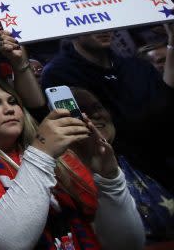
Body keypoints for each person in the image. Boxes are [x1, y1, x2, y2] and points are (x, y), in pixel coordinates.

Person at [0, 74, 145, 250]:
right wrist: (42, 153)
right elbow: (9, 242)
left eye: (13, 102)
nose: (9, 109)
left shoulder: (57, 155)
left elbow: (126, 244)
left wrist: (109, 179)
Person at [41, 31, 174, 190]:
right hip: (115, 176)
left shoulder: (137, 67)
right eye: (89, 23)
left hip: (163, 165)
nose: (103, 30)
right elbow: (78, 131)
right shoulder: (57, 74)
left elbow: (166, 109)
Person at [71, 87, 174, 243]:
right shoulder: (68, 179)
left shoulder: (140, 152)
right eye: (81, 111)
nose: (95, 115)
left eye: (97, 107)